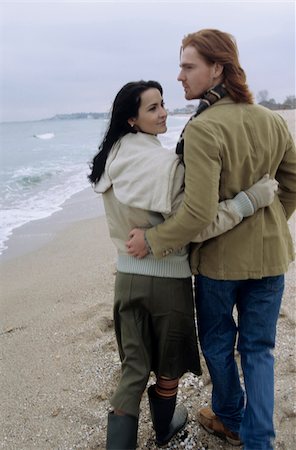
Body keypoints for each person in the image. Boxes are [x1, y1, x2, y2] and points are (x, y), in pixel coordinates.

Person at [126, 30, 296, 450]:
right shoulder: (271, 119)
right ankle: (259, 441)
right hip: (272, 257)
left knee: (219, 344)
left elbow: (198, 213)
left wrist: (154, 240)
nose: (179, 76)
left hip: (220, 263)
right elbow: (292, 182)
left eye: (188, 66)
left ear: (217, 68)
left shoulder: (203, 128)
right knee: (258, 350)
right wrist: (273, 221)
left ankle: (230, 417)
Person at [89, 80, 278, 450]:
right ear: (132, 119)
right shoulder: (167, 167)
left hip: (126, 278)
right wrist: (249, 200)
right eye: (153, 108)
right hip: (167, 281)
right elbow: (198, 224)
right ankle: (165, 428)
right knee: (169, 365)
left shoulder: (110, 157)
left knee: (133, 369)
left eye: (163, 104)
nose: (163, 113)